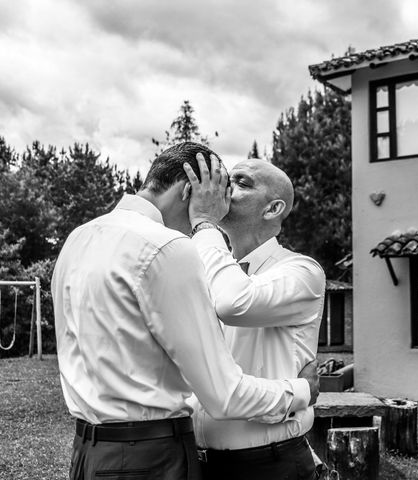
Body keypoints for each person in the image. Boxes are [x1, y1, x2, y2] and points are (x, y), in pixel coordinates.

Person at [52, 142, 319, 480]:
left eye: (242, 184)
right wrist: (302, 390)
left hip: (91, 452)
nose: (225, 198)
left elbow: (231, 304)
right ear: (189, 191)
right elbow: (224, 393)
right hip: (150, 457)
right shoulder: (167, 248)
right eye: (220, 186)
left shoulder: (79, 238)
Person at [184, 156, 326, 480]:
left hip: (269, 465)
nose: (225, 187)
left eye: (242, 182)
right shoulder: (207, 267)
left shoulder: (303, 271)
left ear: (273, 209)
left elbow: (233, 303)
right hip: (199, 464)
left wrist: (204, 224)